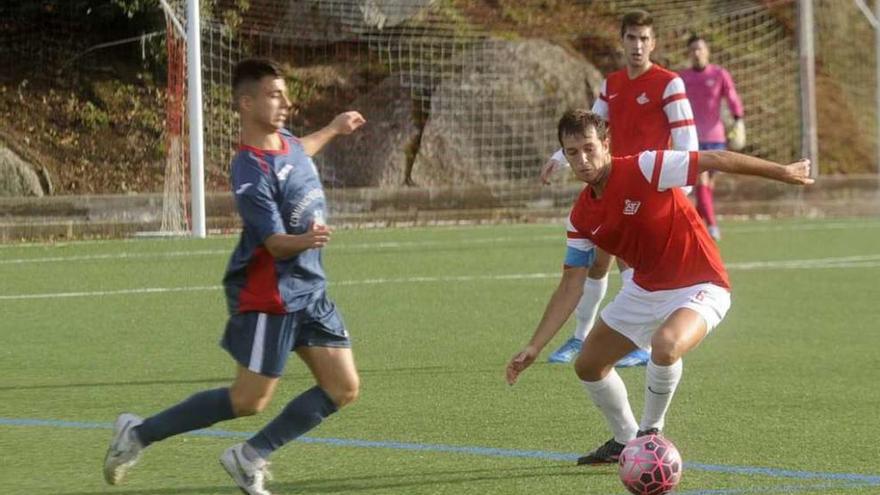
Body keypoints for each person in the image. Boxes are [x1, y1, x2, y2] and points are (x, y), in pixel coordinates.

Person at [103, 58, 366, 495]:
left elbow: (301, 149)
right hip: (273, 297)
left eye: (284, 93)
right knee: (248, 400)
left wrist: (334, 129)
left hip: (310, 291)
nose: (285, 101)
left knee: (342, 387)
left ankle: (250, 457)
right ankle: (137, 434)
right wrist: (309, 239)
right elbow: (275, 243)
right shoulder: (249, 171)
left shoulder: (285, 142)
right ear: (246, 103)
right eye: (273, 94)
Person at [507, 109, 811, 465]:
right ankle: (624, 439)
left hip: (701, 284)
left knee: (665, 346)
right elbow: (571, 285)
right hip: (643, 291)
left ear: (606, 144)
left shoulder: (646, 167)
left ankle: (650, 435)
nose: (583, 159)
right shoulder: (580, 216)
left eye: (589, 148)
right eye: (572, 153)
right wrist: (534, 345)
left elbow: (715, 159)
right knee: (588, 364)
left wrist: (783, 172)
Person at [542, 10, 699, 366]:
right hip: (611, 184)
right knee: (598, 264)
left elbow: (687, 137)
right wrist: (560, 157)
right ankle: (582, 338)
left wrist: (682, 188)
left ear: (653, 43)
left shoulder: (668, 83)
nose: (638, 45)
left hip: (648, 189)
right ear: (623, 40)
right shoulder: (612, 84)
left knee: (633, 265)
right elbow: (591, 129)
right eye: (632, 38)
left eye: (645, 39)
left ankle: (639, 344)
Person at [679, 34, 746, 241]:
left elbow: (732, 95)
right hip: (693, 139)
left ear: (708, 51)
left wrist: (738, 119)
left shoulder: (719, 74)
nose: (697, 53)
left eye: (700, 48)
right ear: (689, 54)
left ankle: (696, 230)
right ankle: (713, 227)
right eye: (693, 50)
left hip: (716, 137)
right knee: (702, 181)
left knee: (706, 187)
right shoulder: (682, 78)